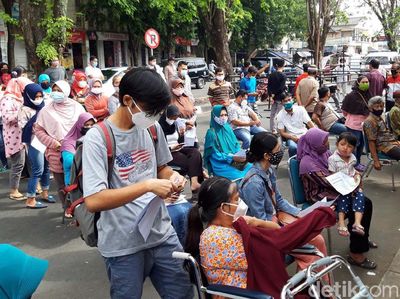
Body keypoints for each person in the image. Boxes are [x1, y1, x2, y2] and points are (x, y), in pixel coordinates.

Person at [82, 68, 193, 298]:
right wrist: (148, 185)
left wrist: (173, 178)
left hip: (161, 233)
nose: (155, 116)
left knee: (182, 293)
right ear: (127, 100)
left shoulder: (151, 128)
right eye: (151, 110)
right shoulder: (98, 138)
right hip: (123, 245)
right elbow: (93, 200)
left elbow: (162, 167)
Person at [185, 176, 335, 298]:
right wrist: (318, 215)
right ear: (223, 207)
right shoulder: (216, 237)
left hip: (252, 286)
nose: (241, 203)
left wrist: (256, 222)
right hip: (243, 294)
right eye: (236, 199)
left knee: (312, 289)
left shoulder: (233, 224)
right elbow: (276, 241)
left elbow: (276, 232)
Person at [240, 132, 329, 270]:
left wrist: (300, 213)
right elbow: (260, 220)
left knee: (315, 234)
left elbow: (279, 200)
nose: (281, 152)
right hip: (265, 230)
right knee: (314, 248)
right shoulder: (253, 183)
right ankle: (314, 286)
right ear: (266, 155)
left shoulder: (268, 171)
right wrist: (285, 230)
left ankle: (311, 285)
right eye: (277, 150)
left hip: (276, 219)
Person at [298, 128, 377, 269]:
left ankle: (361, 238)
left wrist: (356, 174)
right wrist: (353, 181)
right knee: (361, 203)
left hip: (338, 189)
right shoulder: (307, 163)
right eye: (324, 142)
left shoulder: (324, 153)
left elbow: (347, 168)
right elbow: (329, 181)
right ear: (315, 143)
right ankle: (356, 253)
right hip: (320, 196)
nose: (327, 144)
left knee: (365, 202)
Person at [34, 80, 85, 217]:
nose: (56, 93)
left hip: (77, 150)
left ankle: (81, 206)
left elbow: (85, 125)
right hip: (56, 152)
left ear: (67, 92)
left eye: (59, 90)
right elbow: (38, 130)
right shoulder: (46, 110)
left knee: (79, 181)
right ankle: (67, 207)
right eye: (54, 90)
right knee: (62, 183)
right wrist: (53, 142)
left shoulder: (77, 107)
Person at [18, 83, 53, 209]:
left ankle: (45, 193)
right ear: (28, 96)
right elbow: (23, 126)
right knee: (38, 169)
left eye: (40, 96)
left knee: (47, 169)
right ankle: (30, 199)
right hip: (34, 143)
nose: (38, 99)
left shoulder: (44, 107)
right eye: (35, 97)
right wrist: (37, 124)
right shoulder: (24, 110)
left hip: (45, 141)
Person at [0, 77, 32, 200]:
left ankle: (35, 187)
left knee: (27, 162)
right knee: (18, 164)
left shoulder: (19, 98)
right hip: (13, 136)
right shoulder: (7, 99)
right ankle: (14, 191)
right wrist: (22, 112)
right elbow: (6, 118)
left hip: (23, 134)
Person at [159, 105, 203, 193]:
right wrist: (171, 148)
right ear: (167, 116)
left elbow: (178, 140)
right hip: (168, 152)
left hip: (178, 148)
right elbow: (160, 147)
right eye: (172, 118)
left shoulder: (175, 124)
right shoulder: (160, 127)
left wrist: (183, 133)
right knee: (189, 162)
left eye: (175, 118)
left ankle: (194, 182)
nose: (174, 120)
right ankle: (196, 185)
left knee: (195, 152)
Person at [328, 132, 365, 236]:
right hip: (340, 187)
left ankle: (357, 223)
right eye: (342, 144)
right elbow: (333, 175)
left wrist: (357, 177)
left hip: (351, 185)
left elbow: (354, 171)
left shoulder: (353, 158)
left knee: (360, 195)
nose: (345, 148)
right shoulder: (332, 159)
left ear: (353, 149)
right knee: (344, 197)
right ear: (337, 144)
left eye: (349, 146)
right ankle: (341, 222)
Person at [204, 105, 252, 181]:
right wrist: (231, 157)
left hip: (234, 160)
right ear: (214, 116)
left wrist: (240, 155)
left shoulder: (228, 128)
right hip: (221, 164)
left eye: (226, 115)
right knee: (238, 176)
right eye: (221, 115)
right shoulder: (211, 133)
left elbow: (236, 145)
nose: (224, 117)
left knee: (251, 168)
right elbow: (214, 155)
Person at [341, 75, 372, 170]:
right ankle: (353, 164)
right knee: (353, 145)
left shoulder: (368, 94)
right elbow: (344, 110)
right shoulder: (351, 96)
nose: (365, 84)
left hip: (364, 125)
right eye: (363, 82)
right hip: (353, 125)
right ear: (358, 83)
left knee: (361, 145)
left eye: (367, 82)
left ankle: (357, 162)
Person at [363, 96, 400, 166]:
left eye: (381, 106)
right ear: (370, 108)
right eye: (377, 107)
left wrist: (396, 142)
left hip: (391, 143)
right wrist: (376, 161)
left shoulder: (378, 117)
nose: (380, 108)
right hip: (384, 148)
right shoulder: (369, 121)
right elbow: (371, 142)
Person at [60, 112, 95, 185]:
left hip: (89, 182)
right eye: (86, 125)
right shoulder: (68, 142)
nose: (89, 127)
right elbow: (69, 162)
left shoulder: (93, 138)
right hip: (74, 183)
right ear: (80, 125)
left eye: (92, 125)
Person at [276, 93, 314, 157]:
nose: (288, 102)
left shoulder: (301, 109)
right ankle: (293, 163)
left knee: (314, 145)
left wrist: (316, 132)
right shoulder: (280, 115)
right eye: (285, 101)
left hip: (304, 134)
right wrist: (292, 137)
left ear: (292, 100)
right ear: (282, 103)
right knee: (293, 147)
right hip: (291, 137)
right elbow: (282, 132)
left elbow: (309, 123)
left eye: (289, 100)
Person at [268, 59, 287, 132]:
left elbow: (269, 86)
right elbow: (281, 88)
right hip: (280, 97)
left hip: (273, 97)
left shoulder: (271, 75)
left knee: (272, 114)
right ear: (283, 65)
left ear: (276, 65)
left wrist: (271, 95)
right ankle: (280, 129)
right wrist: (275, 94)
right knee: (280, 114)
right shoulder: (283, 76)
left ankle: (273, 129)